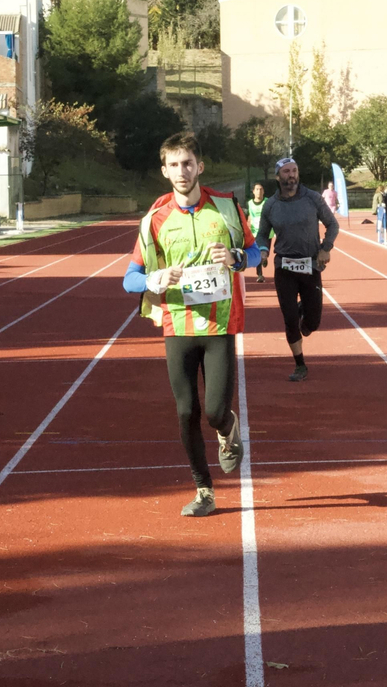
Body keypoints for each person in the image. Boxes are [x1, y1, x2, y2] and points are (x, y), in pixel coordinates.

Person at [123, 133, 259, 517]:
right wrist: (154, 280)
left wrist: (235, 256)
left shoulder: (226, 208)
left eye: (188, 163)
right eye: (173, 165)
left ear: (200, 166)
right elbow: (129, 278)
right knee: (186, 412)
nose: (182, 172)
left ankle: (227, 429)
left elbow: (255, 252)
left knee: (215, 410)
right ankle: (204, 490)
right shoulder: (155, 219)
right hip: (177, 324)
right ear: (164, 171)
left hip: (219, 325)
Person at [256, 156, 339, 382]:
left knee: (312, 323)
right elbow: (263, 233)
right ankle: (300, 364)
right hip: (284, 267)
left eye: (294, 170)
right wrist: (263, 250)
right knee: (290, 319)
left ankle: (305, 312)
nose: (291, 175)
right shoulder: (271, 205)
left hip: (311, 265)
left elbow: (332, 224)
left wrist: (325, 247)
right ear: (278, 176)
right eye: (286, 172)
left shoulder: (312, 198)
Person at [247, 182, 269, 282]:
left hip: (267, 232)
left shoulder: (267, 202)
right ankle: (260, 275)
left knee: (265, 253)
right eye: (257, 189)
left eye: (261, 189)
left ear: (263, 191)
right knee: (259, 252)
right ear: (253, 192)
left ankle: (265, 258)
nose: (259, 191)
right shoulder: (249, 204)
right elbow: (247, 217)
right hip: (255, 232)